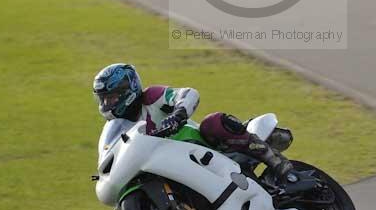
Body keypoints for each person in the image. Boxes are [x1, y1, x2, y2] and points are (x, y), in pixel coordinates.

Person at [92, 63, 295, 183]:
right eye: (103, 99)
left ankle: (276, 161)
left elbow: (188, 94)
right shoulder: (116, 128)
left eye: (111, 97)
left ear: (128, 91)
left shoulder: (151, 97)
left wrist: (178, 114)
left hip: (205, 149)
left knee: (212, 122)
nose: (106, 103)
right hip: (170, 168)